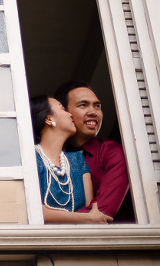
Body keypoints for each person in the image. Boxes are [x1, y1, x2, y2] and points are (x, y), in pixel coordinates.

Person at [53, 80, 134, 222]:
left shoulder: (112, 152)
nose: (93, 112)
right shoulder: (51, 155)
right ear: (65, 113)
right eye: (83, 105)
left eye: (97, 106)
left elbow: (102, 212)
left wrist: (52, 221)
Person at [30, 95, 113, 224]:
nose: (70, 115)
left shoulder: (77, 160)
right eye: (63, 109)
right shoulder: (31, 158)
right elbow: (33, 210)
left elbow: (88, 209)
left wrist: (88, 217)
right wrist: (87, 218)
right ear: (48, 118)